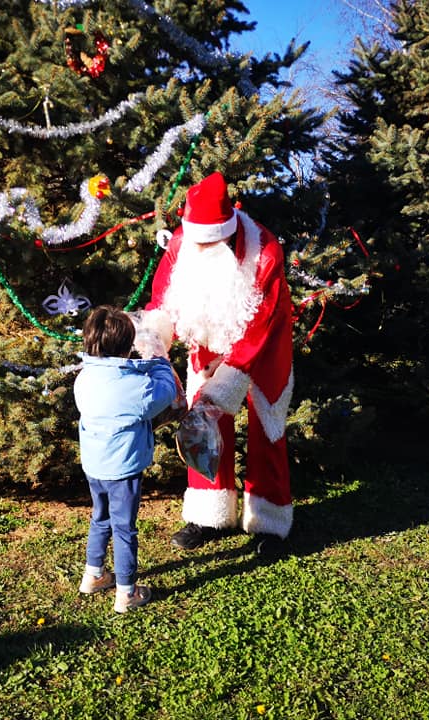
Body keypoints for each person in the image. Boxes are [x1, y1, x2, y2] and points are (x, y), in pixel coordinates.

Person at [143, 171, 295, 552]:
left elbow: (260, 325)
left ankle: (269, 522)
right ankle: (208, 516)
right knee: (202, 422)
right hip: (208, 341)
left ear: (228, 234)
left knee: (268, 428)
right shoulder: (182, 242)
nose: (200, 249)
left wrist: (226, 377)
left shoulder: (266, 252)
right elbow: (163, 302)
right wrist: (152, 344)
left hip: (264, 348)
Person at [74, 305, 178, 613]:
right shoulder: (136, 387)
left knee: (100, 517)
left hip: (94, 465)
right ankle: (127, 593)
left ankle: (93, 575)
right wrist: (158, 361)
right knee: (123, 527)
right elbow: (166, 392)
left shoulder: (86, 377)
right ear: (127, 346)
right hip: (123, 468)